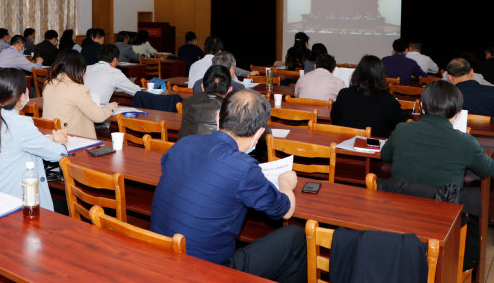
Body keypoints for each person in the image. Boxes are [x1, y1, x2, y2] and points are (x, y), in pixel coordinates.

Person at [150, 90, 306, 282]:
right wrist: (286, 183)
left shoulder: (183, 144)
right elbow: (286, 211)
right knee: (296, 236)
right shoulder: (243, 167)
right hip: (204, 273)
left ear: (218, 118)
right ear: (259, 133)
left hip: (158, 257)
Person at [382, 80, 494, 272]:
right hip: (443, 227)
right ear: (457, 113)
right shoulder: (465, 142)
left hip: (398, 218)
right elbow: (489, 170)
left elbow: (385, 156)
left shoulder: (402, 130)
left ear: (422, 107)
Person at [0, 68, 68, 209]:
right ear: (22, 97)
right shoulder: (21, 124)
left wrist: (48, 138)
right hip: (14, 205)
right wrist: (59, 142)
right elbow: (58, 154)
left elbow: (13, 143)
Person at [42, 50, 117, 139]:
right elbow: (99, 116)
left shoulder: (48, 84)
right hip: (72, 139)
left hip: (51, 136)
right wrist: (112, 107)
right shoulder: (77, 89)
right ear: (78, 69)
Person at [330, 55, 410, 137]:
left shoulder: (344, 93)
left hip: (344, 141)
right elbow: (402, 121)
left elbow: (335, 119)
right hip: (375, 143)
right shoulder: (387, 98)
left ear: (357, 73)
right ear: (381, 76)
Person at [179, 65, 232, 138]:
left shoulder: (186, 102)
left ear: (202, 87)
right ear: (229, 90)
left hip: (183, 144)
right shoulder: (230, 109)